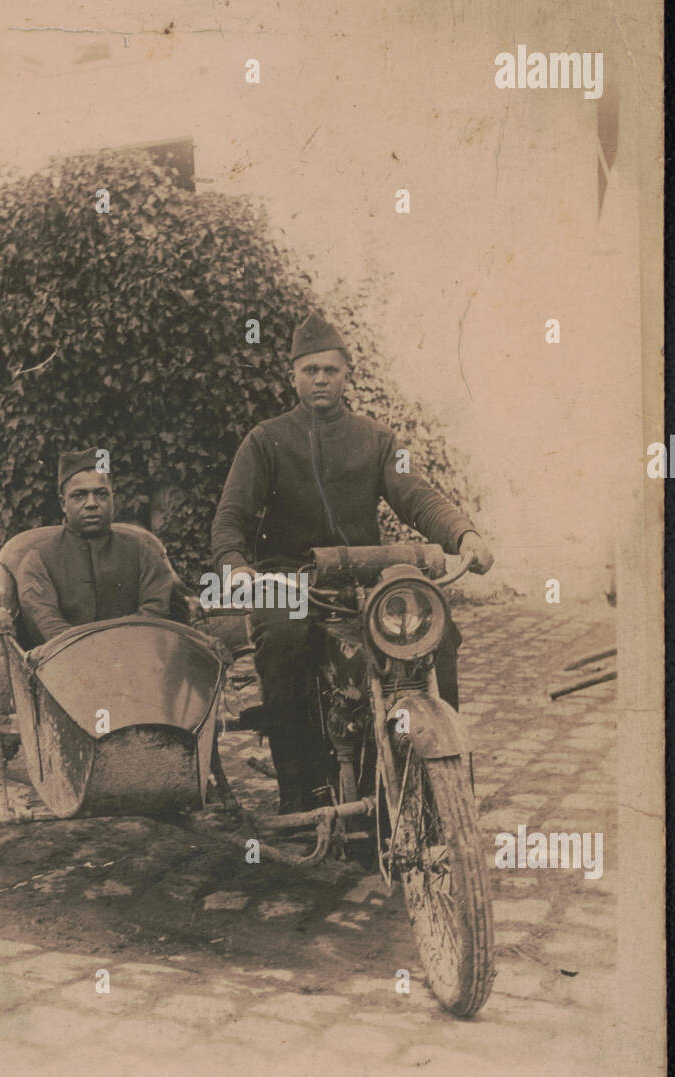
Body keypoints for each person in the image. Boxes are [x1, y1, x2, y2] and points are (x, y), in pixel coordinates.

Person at [210, 310, 494, 812]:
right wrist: (236, 565)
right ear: (293, 376)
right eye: (310, 369)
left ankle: (441, 777)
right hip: (289, 580)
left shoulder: (377, 439)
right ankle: (299, 791)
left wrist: (463, 534)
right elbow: (230, 515)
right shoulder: (266, 440)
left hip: (363, 576)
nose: (320, 378)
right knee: (282, 639)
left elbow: (417, 495)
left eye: (330, 370)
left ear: (347, 375)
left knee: (436, 632)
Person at [16, 449, 180, 646]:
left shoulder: (140, 550)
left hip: (136, 657)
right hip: (66, 666)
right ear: (62, 503)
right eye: (79, 496)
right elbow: (49, 626)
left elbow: (155, 611)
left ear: (113, 498)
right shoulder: (39, 560)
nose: (92, 504)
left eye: (101, 494)